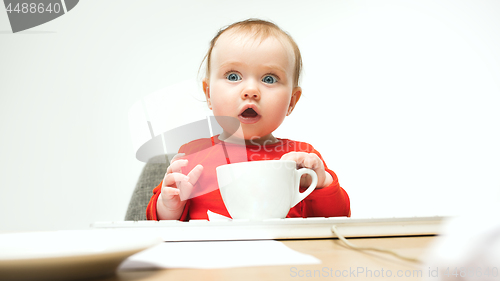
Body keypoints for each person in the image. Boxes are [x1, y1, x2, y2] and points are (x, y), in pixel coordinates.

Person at [147, 19, 350, 221]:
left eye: (269, 79)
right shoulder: (192, 155)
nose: (251, 91)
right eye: (233, 76)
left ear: (291, 101)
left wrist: (321, 182)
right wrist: (168, 205)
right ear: (209, 94)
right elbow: (157, 221)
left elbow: (338, 220)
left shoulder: (303, 159)